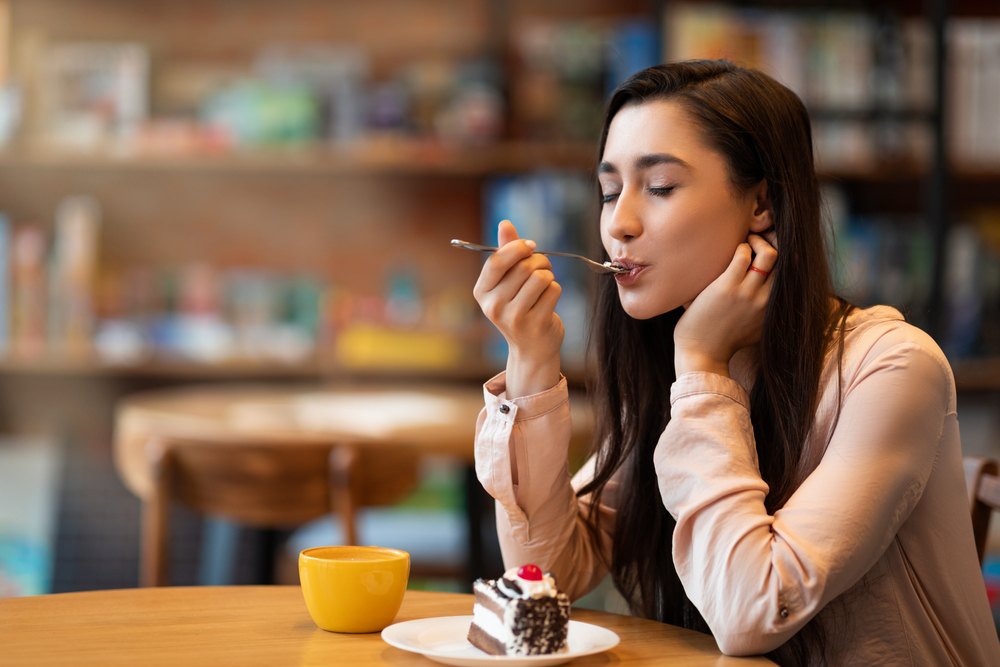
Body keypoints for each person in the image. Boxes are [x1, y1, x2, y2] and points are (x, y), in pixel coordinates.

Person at [470, 60, 1000, 666]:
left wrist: (702, 368)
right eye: (610, 191)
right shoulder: (662, 365)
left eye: (661, 186)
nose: (619, 223)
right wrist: (532, 362)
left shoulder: (894, 367)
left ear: (761, 205)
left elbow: (753, 610)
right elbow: (551, 573)